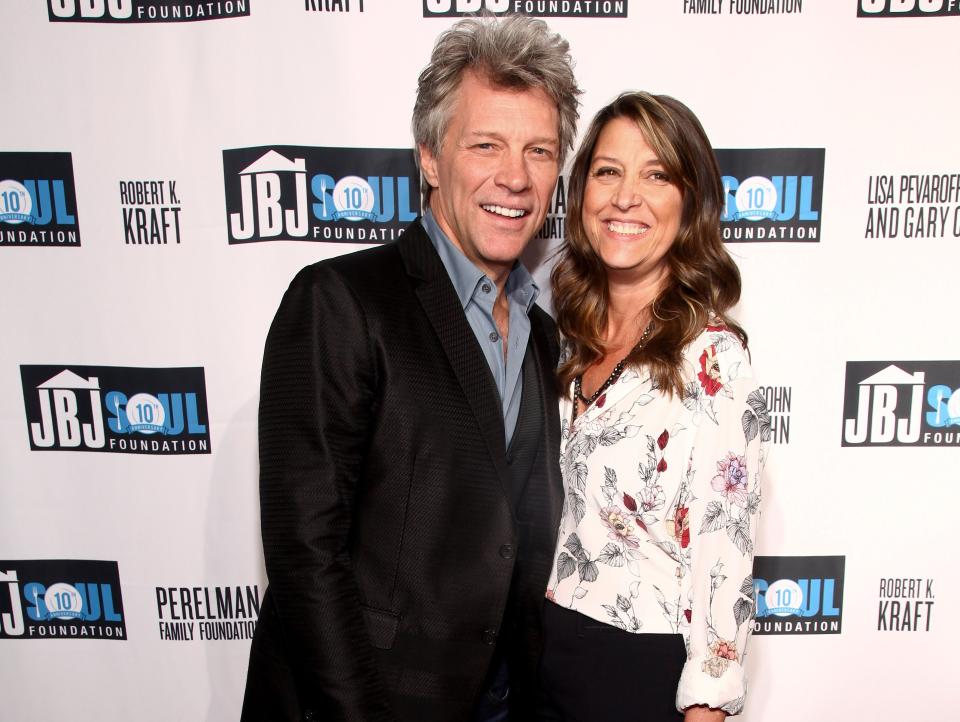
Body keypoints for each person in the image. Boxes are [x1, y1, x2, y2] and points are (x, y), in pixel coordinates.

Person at [240, 15, 581, 722]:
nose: (514, 177)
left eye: (539, 151)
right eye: (486, 144)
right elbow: (306, 555)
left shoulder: (544, 337)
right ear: (429, 156)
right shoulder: (340, 301)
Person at [539, 92, 770, 722]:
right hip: (542, 658)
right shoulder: (565, 335)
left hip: (638, 672)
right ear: (580, 190)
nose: (625, 197)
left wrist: (707, 708)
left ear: (690, 201)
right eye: (608, 171)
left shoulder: (713, 359)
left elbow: (723, 556)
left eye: (657, 174)